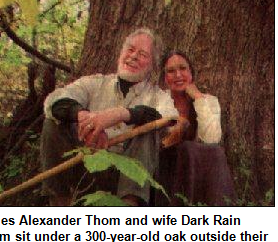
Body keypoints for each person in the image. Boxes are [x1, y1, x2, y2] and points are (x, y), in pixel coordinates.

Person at [40, 28, 178, 206]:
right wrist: (85, 118)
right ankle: (60, 208)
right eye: (130, 49)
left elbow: (169, 118)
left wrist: (120, 114)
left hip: (124, 179)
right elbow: (54, 102)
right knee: (53, 123)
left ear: (152, 65)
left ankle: (127, 212)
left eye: (143, 54)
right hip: (86, 168)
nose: (134, 56)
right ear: (121, 52)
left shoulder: (158, 96)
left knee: (147, 130)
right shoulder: (95, 83)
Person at [156, 51, 236, 206]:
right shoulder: (159, 100)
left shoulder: (208, 101)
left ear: (191, 73)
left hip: (198, 168)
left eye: (183, 68)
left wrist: (198, 98)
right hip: (166, 165)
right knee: (186, 149)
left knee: (216, 152)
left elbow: (212, 139)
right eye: (171, 71)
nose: (178, 75)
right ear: (165, 78)